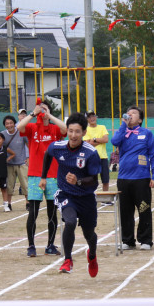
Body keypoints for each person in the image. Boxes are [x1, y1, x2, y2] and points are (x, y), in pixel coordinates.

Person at [40, 112, 101, 276]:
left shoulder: (90, 153)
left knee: (89, 234)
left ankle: (92, 255)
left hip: (86, 197)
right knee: (71, 222)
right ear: (66, 131)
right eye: (71, 131)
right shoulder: (57, 147)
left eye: (77, 132)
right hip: (66, 194)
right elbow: (47, 155)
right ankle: (68, 259)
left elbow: (95, 181)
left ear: (84, 133)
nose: (73, 135)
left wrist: (78, 181)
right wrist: (44, 176)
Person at [17, 100, 67, 257]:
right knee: (33, 211)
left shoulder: (54, 128)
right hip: (34, 175)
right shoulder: (32, 127)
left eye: (45, 109)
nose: (42, 111)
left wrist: (50, 115)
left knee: (52, 212)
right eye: (41, 109)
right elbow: (20, 127)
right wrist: (33, 113)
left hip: (53, 175)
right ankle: (31, 246)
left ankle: (50, 245)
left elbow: (64, 128)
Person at [111, 106, 154, 250]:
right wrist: (123, 125)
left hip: (141, 177)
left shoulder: (147, 133)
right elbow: (114, 141)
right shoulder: (122, 131)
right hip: (124, 178)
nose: (130, 115)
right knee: (125, 210)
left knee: (144, 208)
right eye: (128, 113)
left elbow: (153, 155)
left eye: (134, 113)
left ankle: (145, 240)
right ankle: (127, 240)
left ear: (140, 119)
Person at [1, 115, 29, 211]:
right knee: (9, 185)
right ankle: (8, 204)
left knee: (25, 184)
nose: (9, 125)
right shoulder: (2, 135)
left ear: (14, 123)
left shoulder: (21, 132)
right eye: (7, 123)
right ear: (4, 125)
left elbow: (29, 145)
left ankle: (28, 203)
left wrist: (29, 157)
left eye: (11, 123)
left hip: (22, 163)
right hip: (9, 164)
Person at [82, 110, 110, 192]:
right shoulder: (86, 129)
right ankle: (91, 197)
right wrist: (100, 141)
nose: (92, 118)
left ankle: (105, 199)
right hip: (91, 158)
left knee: (105, 179)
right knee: (92, 179)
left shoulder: (102, 127)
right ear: (87, 119)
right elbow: (87, 144)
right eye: (89, 117)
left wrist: (94, 139)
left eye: (93, 116)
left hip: (103, 157)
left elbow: (106, 139)